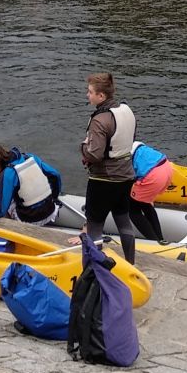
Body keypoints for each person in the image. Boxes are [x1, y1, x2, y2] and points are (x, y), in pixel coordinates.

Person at [74, 73, 139, 265]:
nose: (88, 95)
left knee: (95, 226)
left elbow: (94, 154)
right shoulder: (127, 110)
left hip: (103, 180)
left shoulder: (100, 119)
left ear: (101, 96)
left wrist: (82, 147)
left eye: (90, 92)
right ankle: (130, 263)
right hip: (126, 176)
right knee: (123, 221)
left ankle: (94, 269)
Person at [0, 143, 63, 226]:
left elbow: (0, 211)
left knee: (3, 206)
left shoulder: (6, 175)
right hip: (51, 210)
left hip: (30, 220)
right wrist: (54, 197)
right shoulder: (30, 157)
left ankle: (9, 233)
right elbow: (55, 175)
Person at [128, 141, 173, 242]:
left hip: (153, 175)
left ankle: (153, 241)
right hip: (167, 167)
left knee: (133, 210)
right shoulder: (136, 144)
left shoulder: (120, 154)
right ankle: (160, 238)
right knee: (145, 204)